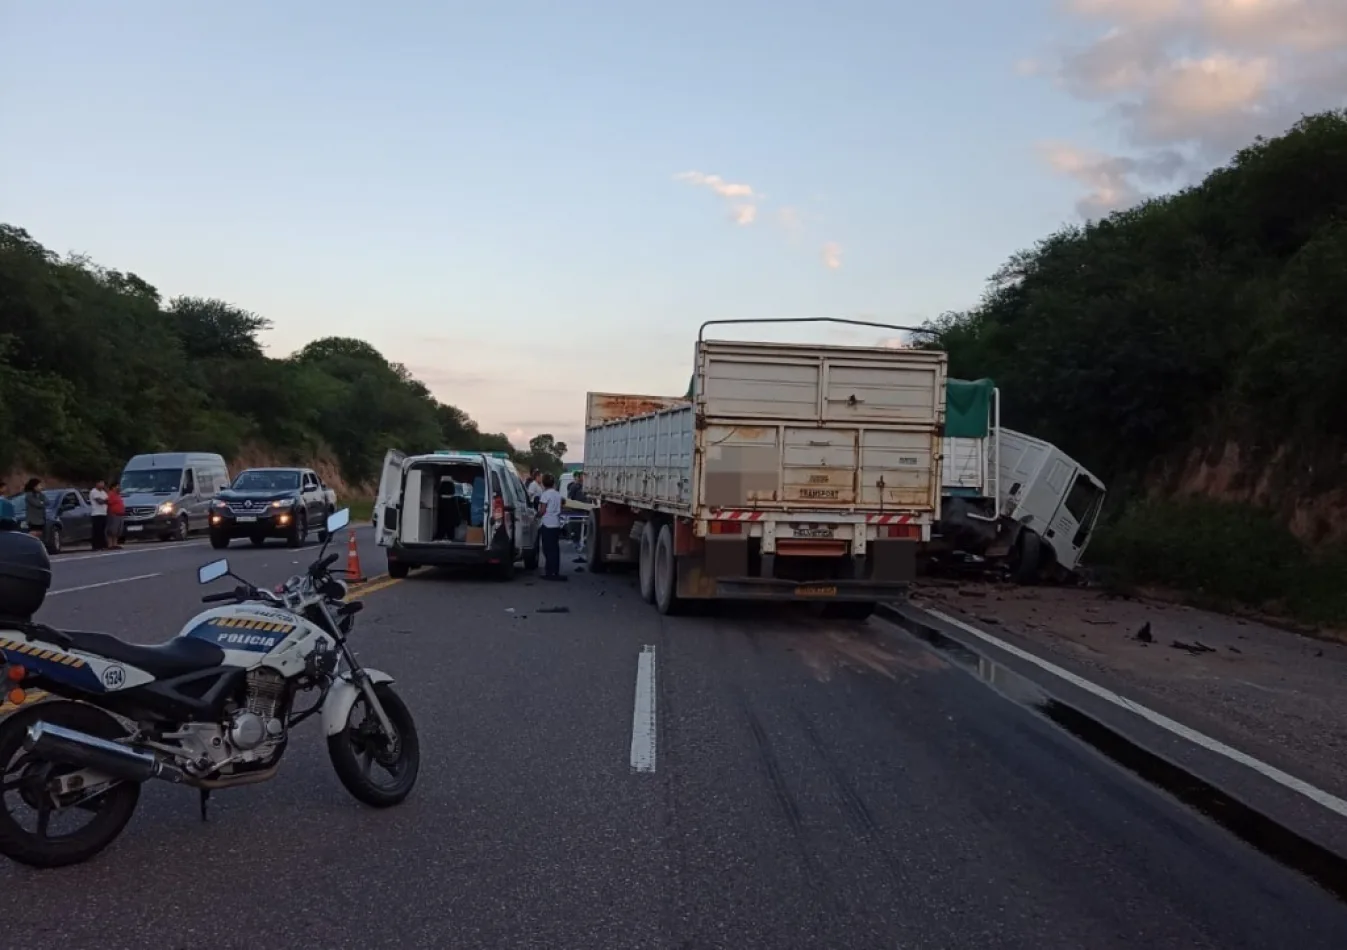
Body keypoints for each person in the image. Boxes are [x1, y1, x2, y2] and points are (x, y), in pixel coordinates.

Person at [536, 472, 565, 581]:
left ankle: (549, 572)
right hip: (556, 524)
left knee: (547, 549)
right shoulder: (558, 495)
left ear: (543, 483)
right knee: (555, 549)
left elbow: (543, 510)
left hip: (547, 524)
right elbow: (561, 507)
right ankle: (555, 572)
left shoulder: (545, 495)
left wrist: (537, 515)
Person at [88, 479, 109, 550]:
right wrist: (105, 501)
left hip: (103, 513)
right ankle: (95, 546)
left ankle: (102, 545)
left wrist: (105, 501)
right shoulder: (94, 492)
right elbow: (100, 501)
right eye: (101, 483)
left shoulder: (103, 492)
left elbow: (108, 500)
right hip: (96, 514)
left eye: (103, 483)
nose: (102, 485)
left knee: (103, 530)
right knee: (97, 530)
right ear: (97, 483)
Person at [23, 478, 45, 543]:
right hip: (33, 520)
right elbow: (37, 504)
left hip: (39, 519)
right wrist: (41, 502)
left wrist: (41, 501)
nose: (41, 487)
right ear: (34, 486)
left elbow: (47, 502)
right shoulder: (29, 495)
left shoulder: (39, 494)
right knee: (33, 535)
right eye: (39, 485)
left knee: (39, 535)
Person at [106, 481, 126, 550]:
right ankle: (110, 545)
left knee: (118, 530)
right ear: (113, 487)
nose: (119, 487)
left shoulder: (118, 495)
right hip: (114, 514)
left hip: (120, 514)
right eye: (117, 486)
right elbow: (108, 502)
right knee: (112, 530)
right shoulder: (110, 494)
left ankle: (115, 544)